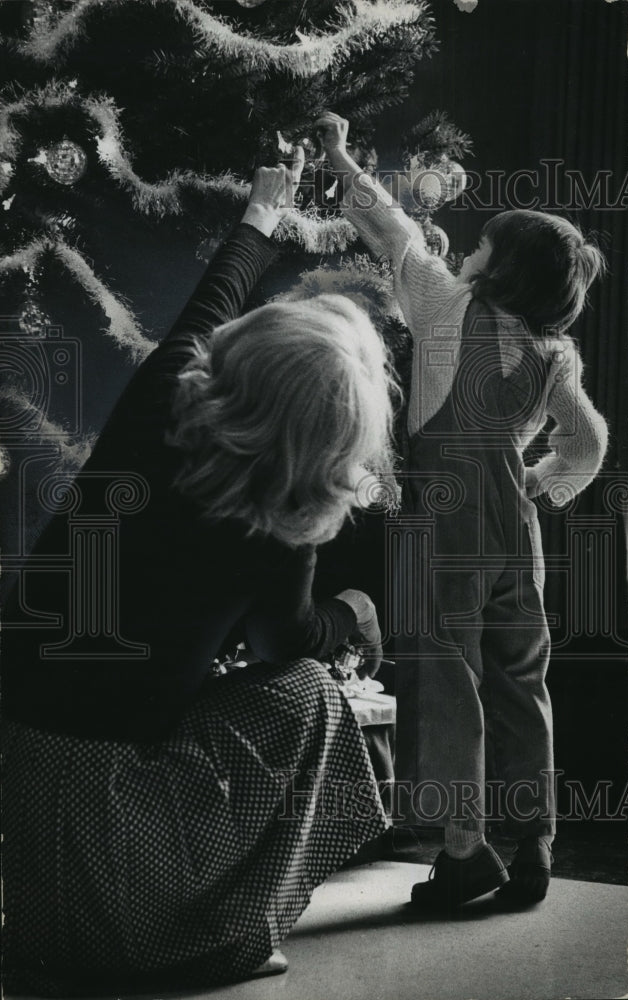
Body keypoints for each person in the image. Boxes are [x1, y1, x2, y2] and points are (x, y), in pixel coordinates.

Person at [2, 148, 396, 996]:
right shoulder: (281, 520)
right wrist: (354, 613)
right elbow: (283, 645)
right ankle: (224, 929)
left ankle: (140, 914)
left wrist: (263, 206)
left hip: (28, 795)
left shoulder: (156, 410)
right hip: (120, 825)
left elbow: (208, 302)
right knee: (311, 695)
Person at [316, 111, 608, 909]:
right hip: (515, 535)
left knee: (447, 682)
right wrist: (534, 486)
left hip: (440, 527)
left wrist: (341, 157)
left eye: (481, 243)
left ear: (500, 268)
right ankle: (534, 842)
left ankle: (462, 852)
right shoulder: (555, 353)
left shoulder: (447, 306)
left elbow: (394, 232)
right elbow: (588, 443)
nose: (466, 248)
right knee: (521, 680)